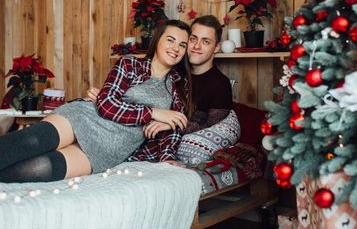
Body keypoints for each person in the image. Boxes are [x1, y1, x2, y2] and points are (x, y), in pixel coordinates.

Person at [0, 20, 192, 183]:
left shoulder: (178, 88)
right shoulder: (130, 64)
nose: (175, 48)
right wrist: (153, 113)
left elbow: (176, 127)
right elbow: (106, 103)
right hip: (84, 117)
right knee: (26, 143)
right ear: (158, 40)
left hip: (110, 148)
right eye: (170, 40)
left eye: (182, 45)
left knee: (36, 170)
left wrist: (167, 151)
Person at [86, 15, 234, 162]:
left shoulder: (221, 84)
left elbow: (211, 126)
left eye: (206, 42)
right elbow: (145, 98)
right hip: (118, 128)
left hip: (145, 140)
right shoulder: (174, 72)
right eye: (193, 39)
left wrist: (171, 124)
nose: (196, 46)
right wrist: (109, 97)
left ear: (216, 48)